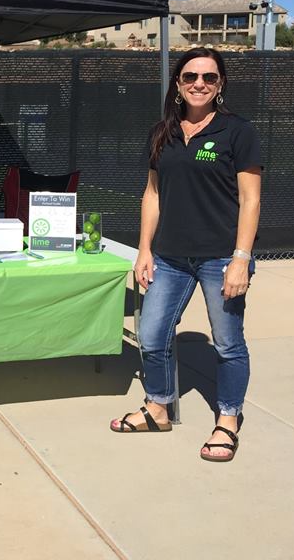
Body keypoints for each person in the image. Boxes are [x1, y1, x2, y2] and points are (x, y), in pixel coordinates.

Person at [110, 47, 262, 463]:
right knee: (153, 336)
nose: (199, 83)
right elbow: (153, 193)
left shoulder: (237, 132)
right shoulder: (163, 132)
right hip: (170, 257)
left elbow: (250, 201)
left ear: (221, 84)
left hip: (220, 258)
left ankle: (227, 420)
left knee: (228, 343)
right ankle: (158, 407)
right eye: (191, 76)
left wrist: (240, 258)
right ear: (177, 84)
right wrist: (144, 249)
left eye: (209, 77)